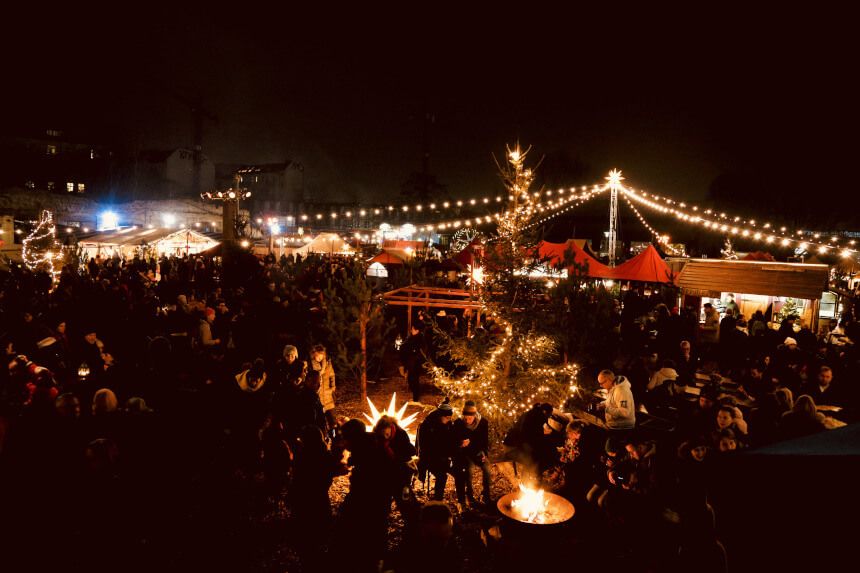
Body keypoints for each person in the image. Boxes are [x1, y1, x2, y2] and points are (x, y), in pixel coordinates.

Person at [452, 400, 492, 506]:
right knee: (469, 470)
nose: (467, 420)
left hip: (478, 452)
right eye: (465, 417)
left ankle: (486, 495)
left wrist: (484, 453)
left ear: (475, 415)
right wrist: (461, 443)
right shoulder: (458, 423)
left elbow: (485, 441)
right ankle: (470, 496)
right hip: (465, 454)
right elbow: (454, 440)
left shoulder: (483, 422)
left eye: (469, 418)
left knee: (487, 469)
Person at [416, 401, 455, 501]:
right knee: (442, 476)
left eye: (450, 418)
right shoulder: (427, 426)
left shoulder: (448, 425)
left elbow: (451, 442)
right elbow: (424, 448)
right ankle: (438, 500)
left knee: (460, 472)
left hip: (445, 458)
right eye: (447, 417)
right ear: (440, 416)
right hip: (431, 459)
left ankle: (462, 500)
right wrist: (441, 456)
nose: (449, 420)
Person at [310, 344, 337, 435]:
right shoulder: (310, 365)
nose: (319, 358)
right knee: (320, 420)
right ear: (314, 355)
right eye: (317, 356)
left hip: (328, 395)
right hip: (317, 396)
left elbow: (332, 375)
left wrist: (333, 387)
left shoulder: (328, 364)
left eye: (321, 355)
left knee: (332, 419)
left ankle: (334, 435)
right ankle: (322, 436)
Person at [400, 325, 426, 403]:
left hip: (415, 363)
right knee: (411, 379)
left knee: (414, 380)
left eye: (413, 329)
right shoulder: (411, 337)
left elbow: (417, 350)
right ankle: (415, 397)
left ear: (417, 330)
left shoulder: (419, 339)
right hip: (411, 362)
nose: (411, 330)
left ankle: (416, 398)